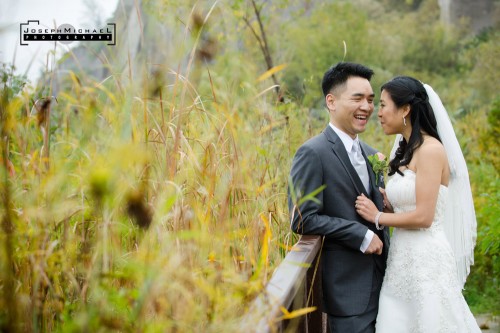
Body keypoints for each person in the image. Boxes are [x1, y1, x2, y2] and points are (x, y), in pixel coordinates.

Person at [355, 76, 480, 332]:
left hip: (427, 263)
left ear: (405, 109)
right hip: (401, 263)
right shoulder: (404, 149)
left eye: (382, 105)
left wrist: (377, 216)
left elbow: (424, 217)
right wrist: (389, 205)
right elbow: (408, 207)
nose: (377, 113)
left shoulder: (431, 150)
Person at [288, 62, 390, 333]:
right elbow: (302, 218)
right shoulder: (312, 153)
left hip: (387, 285)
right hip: (348, 291)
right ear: (331, 102)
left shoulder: (371, 153)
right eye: (357, 98)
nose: (367, 107)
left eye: (370, 100)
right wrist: (359, 234)